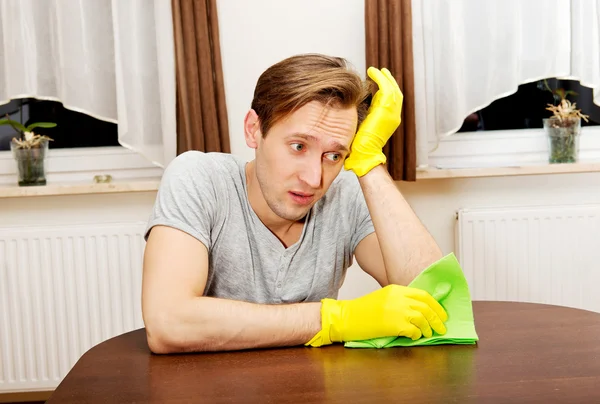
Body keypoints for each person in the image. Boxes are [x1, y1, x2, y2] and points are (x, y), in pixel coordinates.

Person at [141, 54, 448, 353]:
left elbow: (433, 301)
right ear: (253, 130)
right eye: (299, 146)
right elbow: (168, 323)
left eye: (334, 155)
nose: (315, 179)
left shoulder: (345, 193)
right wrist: (337, 319)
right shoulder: (199, 179)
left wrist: (369, 161)